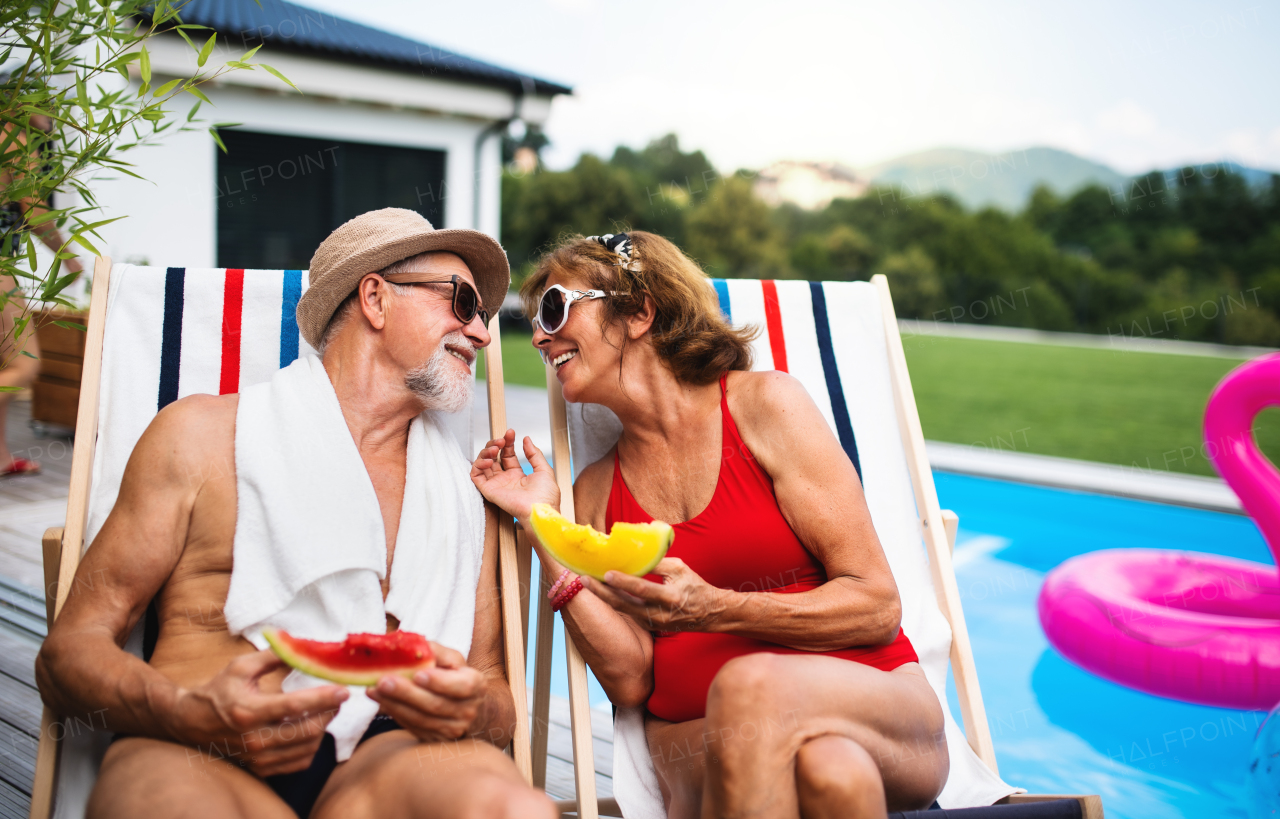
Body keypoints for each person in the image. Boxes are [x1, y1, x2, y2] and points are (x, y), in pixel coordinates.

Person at [36, 209, 555, 819]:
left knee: (513, 810)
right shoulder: (202, 437)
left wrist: (473, 711)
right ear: (376, 298)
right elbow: (68, 653)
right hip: (197, 744)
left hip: (388, 758)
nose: (484, 334)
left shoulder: (469, 489)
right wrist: (187, 712)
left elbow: (497, 690)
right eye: (463, 302)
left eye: (484, 316)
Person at [472, 231, 948, 819]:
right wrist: (541, 524)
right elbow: (630, 682)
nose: (540, 336)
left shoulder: (766, 408)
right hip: (696, 738)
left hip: (872, 699)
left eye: (554, 308)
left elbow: (876, 607)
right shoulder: (594, 492)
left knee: (752, 688)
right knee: (835, 774)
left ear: (639, 312)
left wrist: (716, 609)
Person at [1, 114, 84, 476]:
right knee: (24, 364)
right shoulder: (17, 135)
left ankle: (1, 457)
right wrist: (69, 259)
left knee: (6, 363)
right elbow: (35, 213)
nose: (57, 117)